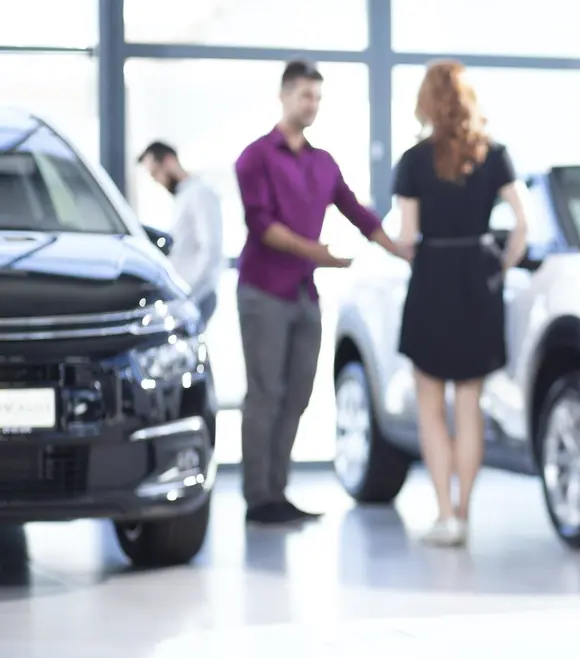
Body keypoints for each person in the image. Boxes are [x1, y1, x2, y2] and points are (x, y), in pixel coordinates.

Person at [234, 59, 410, 526]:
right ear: (284, 96)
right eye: (304, 96)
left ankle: (278, 491)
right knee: (265, 395)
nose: (311, 105)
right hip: (263, 291)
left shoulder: (323, 162)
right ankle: (258, 498)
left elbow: (358, 213)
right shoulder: (255, 157)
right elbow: (262, 225)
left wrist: (400, 249)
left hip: (303, 294)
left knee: (298, 394)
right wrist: (321, 254)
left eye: (316, 97)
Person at [394, 60, 529, 547]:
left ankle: (445, 515)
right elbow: (523, 223)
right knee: (469, 403)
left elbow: (407, 236)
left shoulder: (413, 161)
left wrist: (390, 245)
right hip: (477, 279)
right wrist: (501, 266)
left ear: (426, 102)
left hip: (432, 277)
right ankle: (465, 515)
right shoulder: (494, 154)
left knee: (431, 407)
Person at [137, 141, 224, 326]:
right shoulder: (183, 197)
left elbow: (212, 248)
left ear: (169, 161)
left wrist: (188, 294)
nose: (157, 180)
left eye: (156, 173)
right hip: (187, 295)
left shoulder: (200, 193)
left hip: (196, 295)